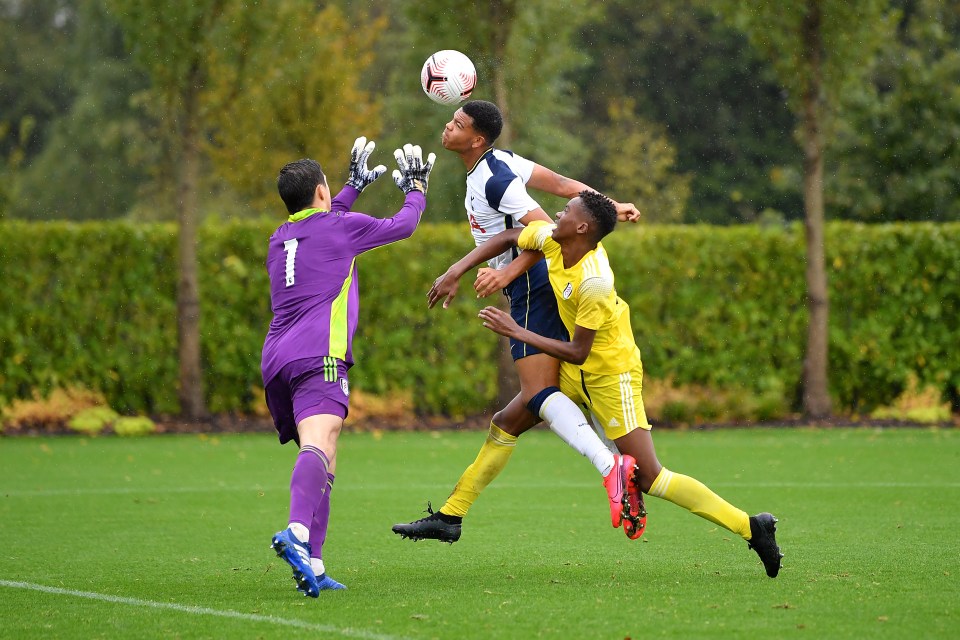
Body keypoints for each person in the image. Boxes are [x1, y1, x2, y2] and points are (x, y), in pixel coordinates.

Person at [432, 190, 784, 578]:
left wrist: (517, 331)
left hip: (612, 376)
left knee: (652, 477)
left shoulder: (595, 282)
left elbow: (578, 351)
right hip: (577, 371)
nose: (558, 212)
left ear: (581, 227)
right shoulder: (554, 238)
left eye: (567, 210)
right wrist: (455, 270)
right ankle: (452, 515)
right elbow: (508, 238)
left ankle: (752, 527)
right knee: (508, 419)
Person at [392, 100, 647, 544]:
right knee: (508, 420)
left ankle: (613, 469)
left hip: (532, 289)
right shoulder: (499, 162)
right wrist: (610, 205)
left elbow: (548, 229)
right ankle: (451, 516)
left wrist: (505, 273)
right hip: (530, 288)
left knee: (537, 394)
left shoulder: (495, 179)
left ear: (476, 139)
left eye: (457, 124)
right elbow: (565, 185)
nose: (447, 127)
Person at [264, 137, 435, 596]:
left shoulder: (280, 238)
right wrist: (417, 188)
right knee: (320, 442)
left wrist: (351, 187)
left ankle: (315, 564)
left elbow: (325, 217)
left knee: (326, 457)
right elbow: (404, 225)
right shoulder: (341, 230)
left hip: (278, 358)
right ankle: (297, 535)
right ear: (322, 191)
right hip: (319, 353)